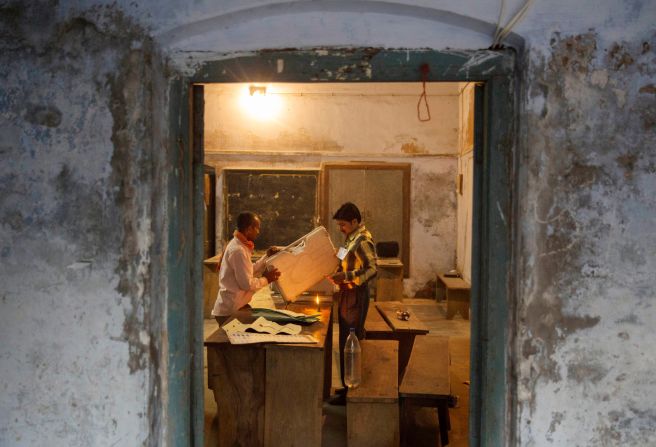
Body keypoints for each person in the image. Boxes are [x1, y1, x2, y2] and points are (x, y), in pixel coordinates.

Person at [328, 202, 377, 405]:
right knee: (344, 341)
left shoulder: (362, 241)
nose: (341, 229)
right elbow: (339, 258)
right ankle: (346, 386)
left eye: (343, 225)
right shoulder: (350, 238)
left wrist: (346, 275)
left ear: (355, 221)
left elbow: (373, 269)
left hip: (355, 295)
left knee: (352, 341)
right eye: (339, 225)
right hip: (346, 294)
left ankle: (353, 390)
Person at [212, 212, 281, 325]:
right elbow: (246, 284)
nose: (258, 232)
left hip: (235, 307)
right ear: (249, 229)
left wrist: (266, 257)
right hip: (230, 311)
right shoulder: (238, 250)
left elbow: (248, 270)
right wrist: (266, 279)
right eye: (257, 228)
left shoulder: (239, 245)